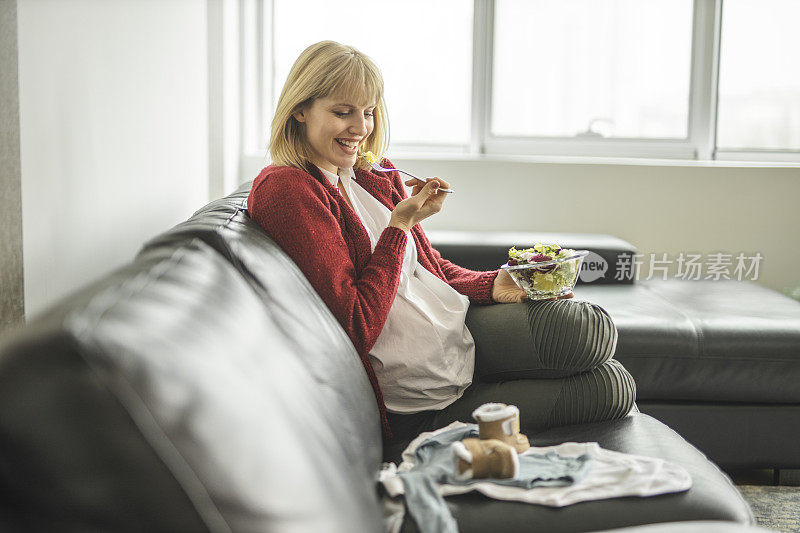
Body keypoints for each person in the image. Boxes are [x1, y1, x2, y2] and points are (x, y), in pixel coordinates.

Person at [247, 41, 635, 464]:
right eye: (344, 112)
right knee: (610, 386)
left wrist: (494, 282)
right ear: (300, 109)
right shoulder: (288, 189)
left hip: (457, 336)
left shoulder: (371, 174)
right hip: (418, 400)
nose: (361, 128)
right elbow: (354, 322)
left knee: (585, 329)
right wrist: (399, 225)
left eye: (370, 111)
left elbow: (427, 270)